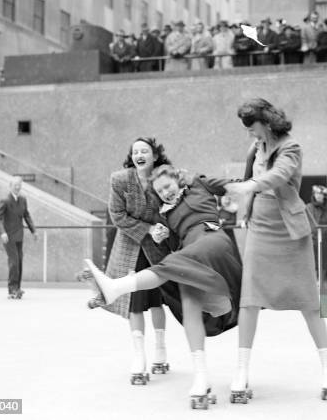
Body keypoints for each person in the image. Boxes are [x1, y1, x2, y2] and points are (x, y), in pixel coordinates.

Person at [85, 165, 242, 408]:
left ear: (178, 180)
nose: (165, 193)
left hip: (213, 242)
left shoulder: (199, 184)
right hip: (190, 257)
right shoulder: (163, 214)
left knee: (172, 264)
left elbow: (235, 184)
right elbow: (168, 241)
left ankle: (116, 287)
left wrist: (253, 184)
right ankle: (201, 377)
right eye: (160, 191)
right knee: (190, 311)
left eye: (167, 186)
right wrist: (159, 235)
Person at [224, 98, 327, 402]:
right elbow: (249, 179)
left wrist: (249, 186)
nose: (249, 132)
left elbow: (279, 176)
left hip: (289, 231)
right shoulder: (255, 147)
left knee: (309, 302)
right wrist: (240, 208)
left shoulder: (291, 146)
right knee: (248, 301)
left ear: (266, 121)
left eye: (252, 126)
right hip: (259, 230)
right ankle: (241, 371)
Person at [100, 137, 174, 385]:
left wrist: (163, 228)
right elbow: (117, 215)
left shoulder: (163, 178)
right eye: (135, 151)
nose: (139, 155)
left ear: (154, 155)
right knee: (134, 302)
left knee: (157, 301)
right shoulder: (120, 179)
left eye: (145, 151)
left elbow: (174, 206)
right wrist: (148, 229)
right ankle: (139, 356)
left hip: (158, 248)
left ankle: (161, 350)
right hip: (130, 247)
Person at [0, 176, 37, 299]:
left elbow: (26, 216)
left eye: (19, 184)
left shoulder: (23, 199)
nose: (17, 187)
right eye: (15, 185)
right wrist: (2, 232)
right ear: (10, 186)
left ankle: (17, 288)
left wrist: (33, 230)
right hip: (8, 236)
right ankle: (12, 289)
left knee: (20, 261)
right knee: (14, 261)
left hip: (19, 236)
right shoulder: (5, 200)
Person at [307, 185, 327, 282]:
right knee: (313, 263)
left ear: (324, 196)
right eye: (317, 194)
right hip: (312, 240)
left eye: (321, 194)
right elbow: (303, 222)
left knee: (325, 262)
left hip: (326, 239)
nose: (318, 196)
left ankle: (321, 283)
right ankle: (315, 284)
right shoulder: (308, 207)